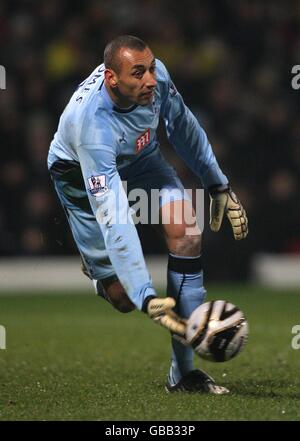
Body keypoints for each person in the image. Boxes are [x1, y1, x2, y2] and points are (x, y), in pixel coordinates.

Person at [48, 35, 248, 395]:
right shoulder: (92, 127)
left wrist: (217, 185)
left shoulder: (157, 81)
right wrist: (142, 292)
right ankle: (103, 276)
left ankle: (184, 375)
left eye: (152, 68)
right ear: (112, 79)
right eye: (138, 73)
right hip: (79, 173)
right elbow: (116, 215)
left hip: (141, 160)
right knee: (123, 299)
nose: (150, 80)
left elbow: (183, 127)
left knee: (187, 233)